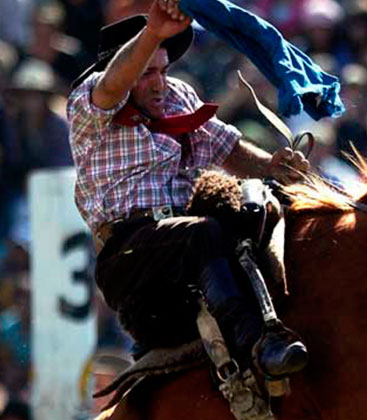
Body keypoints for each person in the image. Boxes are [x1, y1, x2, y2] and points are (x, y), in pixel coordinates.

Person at [66, 0, 309, 378]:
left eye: (163, 70)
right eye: (146, 73)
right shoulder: (89, 102)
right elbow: (113, 86)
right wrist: (151, 33)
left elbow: (226, 147)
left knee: (257, 211)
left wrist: (273, 166)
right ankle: (256, 342)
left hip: (189, 242)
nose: (160, 83)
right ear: (126, 70)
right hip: (129, 253)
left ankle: (290, 314)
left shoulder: (178, 94)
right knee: (202, 232)